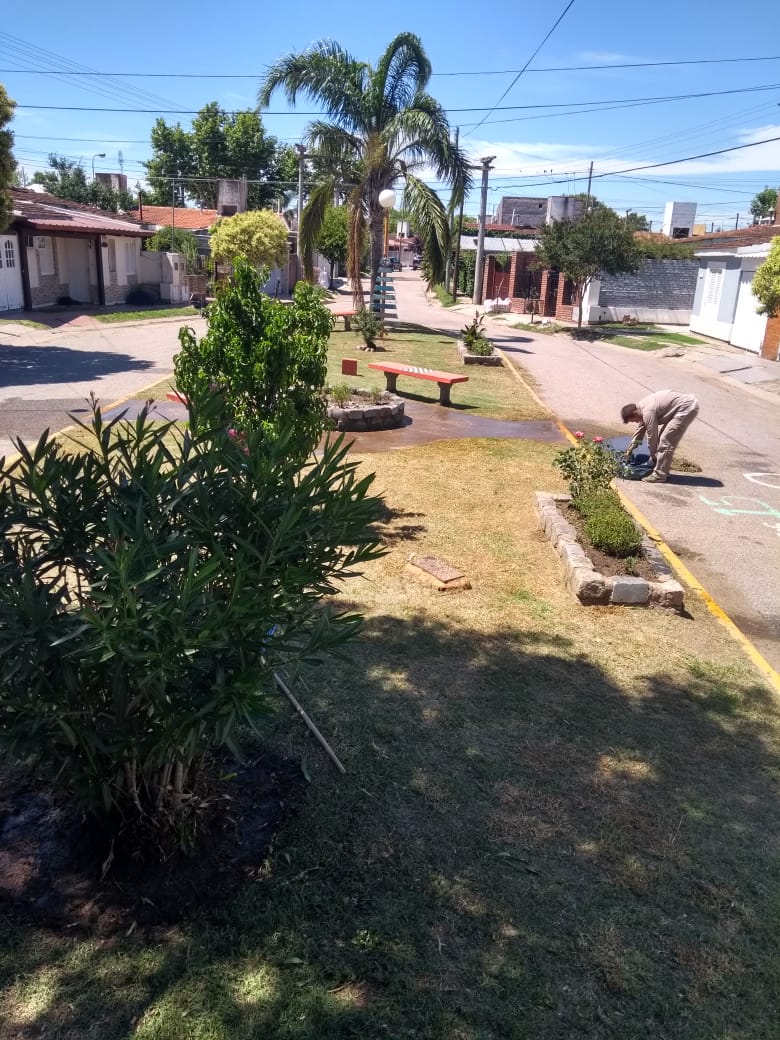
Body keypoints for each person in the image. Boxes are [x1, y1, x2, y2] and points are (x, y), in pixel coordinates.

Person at [620, 390, 700, 483]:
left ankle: (659, 475)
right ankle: (661, 468)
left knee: (665, 440)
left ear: (635, 413)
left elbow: (652, 436)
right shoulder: (641, 407)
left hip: (686, 408)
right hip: (683, 405)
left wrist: (652, 454)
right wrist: (630, 449)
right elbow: (640, 430)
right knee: (663, 439)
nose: (636, 422)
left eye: (634, 421)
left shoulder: (648, 412)